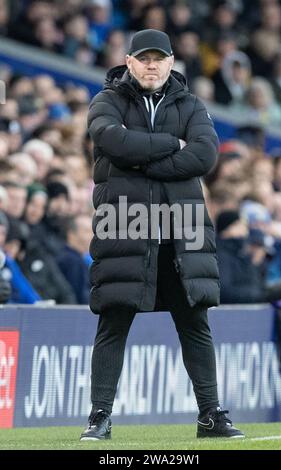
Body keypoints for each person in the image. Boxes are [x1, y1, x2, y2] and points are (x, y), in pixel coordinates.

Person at [81, 29, 244, 441]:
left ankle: (211, 415)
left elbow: (205, 154)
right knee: (114, 319)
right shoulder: (106, 100)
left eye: (159, 58)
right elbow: (113, 141)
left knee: (195, 322)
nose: (151, 65)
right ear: (129, 61)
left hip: (182, 226)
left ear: (172, 62)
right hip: (124, 222)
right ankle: (99, 417)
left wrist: (142, 163)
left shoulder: (192, 103)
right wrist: (173, 143)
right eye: (144, 58)